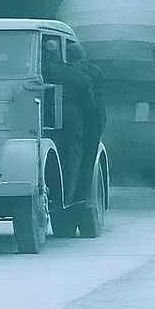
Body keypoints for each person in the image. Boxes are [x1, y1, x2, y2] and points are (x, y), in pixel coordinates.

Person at [42, 38, 93, 204]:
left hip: (45, 118)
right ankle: (67, 198)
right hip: (72, 120)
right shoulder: (80, 76)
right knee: (73, 157)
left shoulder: (45, 69)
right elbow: (89, 107)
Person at [67, 41, 106, 201]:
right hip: (95, 120)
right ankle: (83, 198)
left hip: (80, 120)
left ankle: (74, 195)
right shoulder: (95, 71)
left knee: (75, 159)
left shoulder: (74, 73)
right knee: (88, 160)